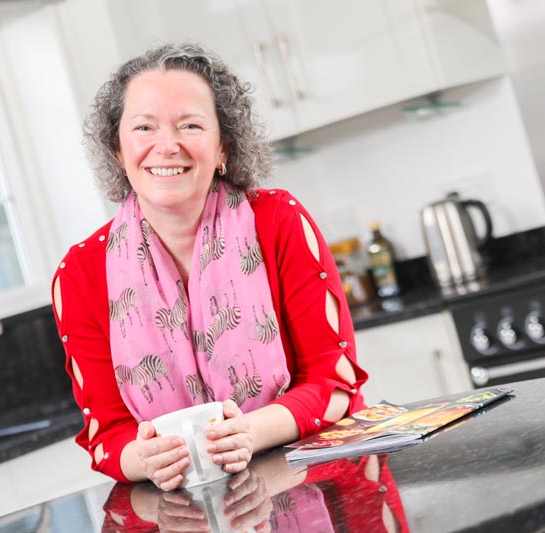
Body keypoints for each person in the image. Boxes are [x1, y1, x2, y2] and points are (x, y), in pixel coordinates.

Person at [52, 42, 367, 491]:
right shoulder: (79, 274)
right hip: (184, 507)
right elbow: (107, 435)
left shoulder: (279, 222)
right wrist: (145, 458)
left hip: (323, 484)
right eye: (144, 127)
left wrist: (249, 433)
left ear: (223, 147)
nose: (167, 146)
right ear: (118, 151)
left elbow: (334, 382)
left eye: (191, 125)